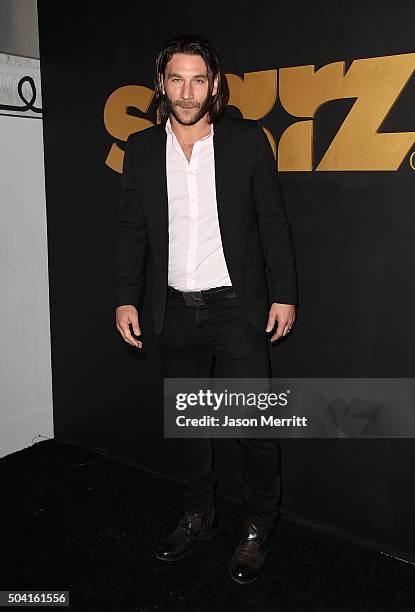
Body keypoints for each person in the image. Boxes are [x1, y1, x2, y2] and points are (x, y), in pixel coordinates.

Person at [115, 33, 298, 584]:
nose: (187, 90)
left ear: (214, 85)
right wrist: (127, 296)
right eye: (177, 78)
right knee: (190, 424)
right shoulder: (142, 150)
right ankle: (199, 514)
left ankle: (258, 525)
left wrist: (284, 291)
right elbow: (132, 229)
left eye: (198, 79)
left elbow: (272, 220)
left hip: (236, 309)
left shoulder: (244, 141)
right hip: (172, 310)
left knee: (253, 426)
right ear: (161, 84)